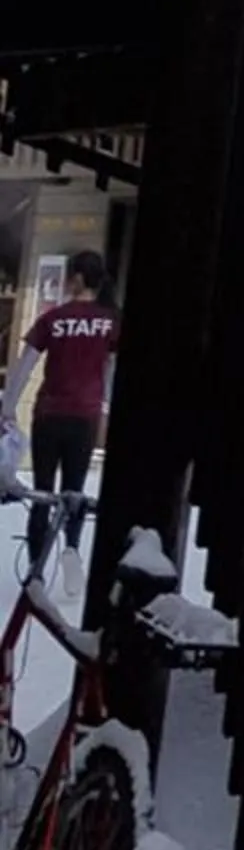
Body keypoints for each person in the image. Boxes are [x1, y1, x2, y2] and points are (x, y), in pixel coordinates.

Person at [1, 254, 119, 596]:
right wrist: (107, 408)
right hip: (85, 416)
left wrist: (7, 409)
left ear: (78, 279)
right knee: (75, 490)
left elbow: (24, 367)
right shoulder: (110, 323)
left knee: (43, 491)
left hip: (49, 415)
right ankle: (72, 550)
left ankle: (36, 571)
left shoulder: (53, 318)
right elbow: (111, 370)